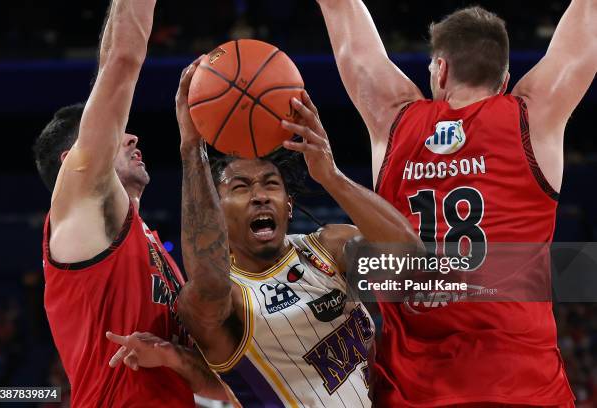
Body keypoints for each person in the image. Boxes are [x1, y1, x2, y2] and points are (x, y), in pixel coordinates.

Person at [316, 0, 596, 406]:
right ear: (504, 81)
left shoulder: (395, 120)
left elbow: (342, 13)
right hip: (525, 386)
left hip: (417, 388)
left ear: (441, 69)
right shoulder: (532, 118)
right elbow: (587, 17)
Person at [106, 61, 420, 407]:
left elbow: (413, 260)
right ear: (217, 215)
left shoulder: (329, 246)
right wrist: (191, 146)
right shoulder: (221, 300)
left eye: (271, 184)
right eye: (240, 187)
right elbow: (210, 284)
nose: (260, 195)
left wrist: (331, 175)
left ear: (287, 206)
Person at [33, 1, 224, 406]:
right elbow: (121, 62)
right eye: (120, 135)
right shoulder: (81, 206)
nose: (133, 137)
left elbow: (211, 381)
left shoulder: (146, 241)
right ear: (73, 164)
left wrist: (174, 357)